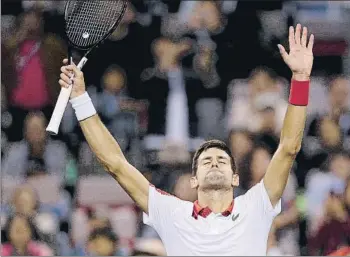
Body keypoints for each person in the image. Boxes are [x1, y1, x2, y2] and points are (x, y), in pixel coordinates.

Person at [57, 24, 314, 255]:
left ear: (236, 178)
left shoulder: (256, 206)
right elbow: (115, 163)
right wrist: (80, 98)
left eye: (222, 160)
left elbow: (289, 147)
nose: (214, 163)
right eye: (206, 161)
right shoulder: (172, 213)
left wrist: (301, 79)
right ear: (193, 180)